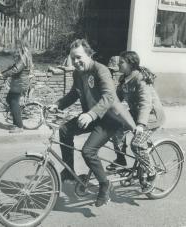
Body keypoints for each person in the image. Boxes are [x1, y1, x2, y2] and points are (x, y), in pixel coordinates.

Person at [49, 39, 136, 207]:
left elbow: (109, 96)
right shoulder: (77, 73)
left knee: (88, 151)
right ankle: (69, 172)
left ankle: (104, 185)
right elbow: (74, 94)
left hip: (109, 119)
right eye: (73, 58)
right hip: (91, 116)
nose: (76, 62)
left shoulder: (100, 70)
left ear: (89, 55)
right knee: (65, 130)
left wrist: (91, 114)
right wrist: (58, 104)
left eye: (79, 57)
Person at [105, 51, 165, 193]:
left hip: (150, 118)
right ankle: (121, 160)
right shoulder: (124, 78)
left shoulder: (140, 79)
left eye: (121, 63)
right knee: (115, 130)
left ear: (130, 64)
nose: (118, 65)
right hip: (134, 115)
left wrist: (141, 124)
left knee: (137, 144)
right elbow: (117, 100)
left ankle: (151, 173)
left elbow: (146, 102)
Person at [0, 41, 33, 133]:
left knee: (13, 101)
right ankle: (15, 123)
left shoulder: (24, 56)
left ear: (23, 47)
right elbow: (13, 66)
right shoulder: (24, 56)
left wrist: (3, 75)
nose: (17, 50)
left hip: (20, 83)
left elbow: (16, 69)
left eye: (19, 48)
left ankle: (19, 126)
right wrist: (2, 72)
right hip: (18, 82)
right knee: (9, 99)